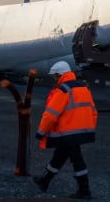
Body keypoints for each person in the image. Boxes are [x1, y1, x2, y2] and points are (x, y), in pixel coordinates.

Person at [33, 60, 97, 199]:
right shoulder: (83, 88)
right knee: (60, 155)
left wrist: (41, 132)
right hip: (82, 130)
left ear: (59, 75)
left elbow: (50, 115)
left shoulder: (63, 90)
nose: (54, 79)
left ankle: (84, 191)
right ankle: (45, 181)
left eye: (54, 76)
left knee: (76, 158)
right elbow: (93, 111)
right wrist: (90, 127)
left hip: (68, 132)